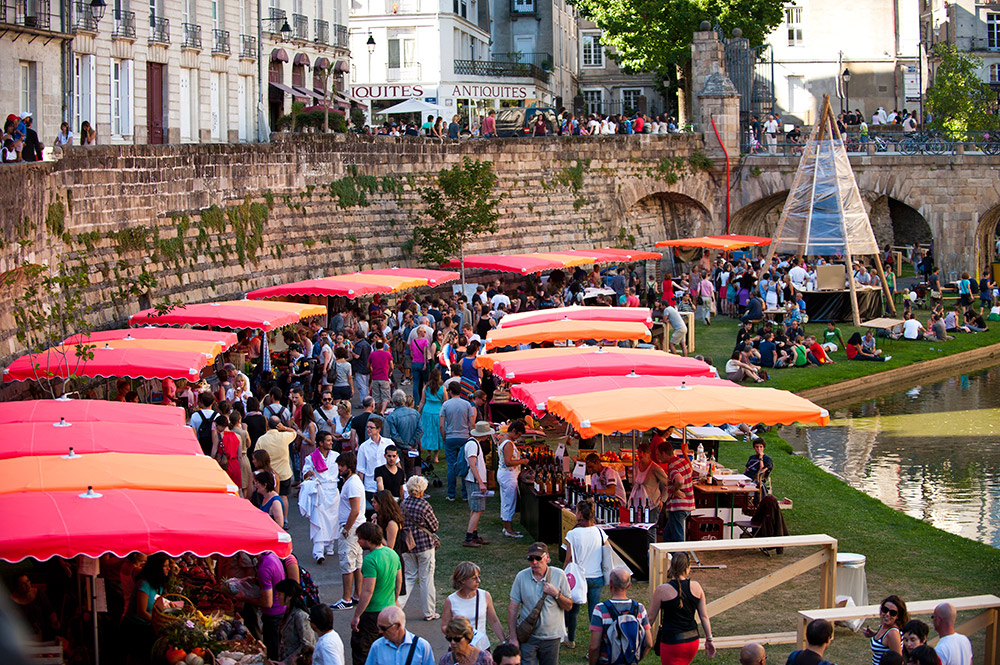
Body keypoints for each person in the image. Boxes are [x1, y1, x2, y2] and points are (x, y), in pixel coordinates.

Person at [508, 542, 573, 665]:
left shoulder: (559, 575)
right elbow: (512, 608)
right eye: (530, 559)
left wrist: (556, 594)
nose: (534, 562)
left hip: (552, 637)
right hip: (528, 636)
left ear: (547, 558)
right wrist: (513, 638)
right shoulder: (521, 577)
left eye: (538, 558)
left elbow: (569, 606)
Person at [648, 552, 716, 665]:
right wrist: (709, 639)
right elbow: (704, 617)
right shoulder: (696, 587)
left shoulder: (662, 590)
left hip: (671, 642)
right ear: (688, 568)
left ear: (671, 567)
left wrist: (638, 637)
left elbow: (650, 618)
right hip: (692, 640)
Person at [352, 522, 403, 665]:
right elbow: (399, 581)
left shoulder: (370, 560)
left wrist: (357, 616)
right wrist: (395, 600)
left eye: (360, 538)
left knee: (362, 649)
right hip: (389, 608)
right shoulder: (392, 553)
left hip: (371, 613)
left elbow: (368, 591)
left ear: (368, 539)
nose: (358, 541)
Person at [564, 499, 607, 650]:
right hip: (597, 577)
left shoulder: (573, 534)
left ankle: (571, 639)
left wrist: (564, 575)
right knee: (594, 613)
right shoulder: (600, 532)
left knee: (573, 611)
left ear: (580, 514)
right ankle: (596, 643)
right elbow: (608, 552)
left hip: (578, 578)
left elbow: (568, 559)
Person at [588, 568, 652, 665]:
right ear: (629, 585)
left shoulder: (600, 609)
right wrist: (635, 659)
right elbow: (649, 643)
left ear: (610, 584)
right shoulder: (639, 609)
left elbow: (594, 646)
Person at [400, 475, 440, 621]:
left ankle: (397, 606)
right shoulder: (424, 505)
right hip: (424, 545)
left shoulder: (403, 504)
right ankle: (429, 611)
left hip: (408, 545)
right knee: (426, 578)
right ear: (422, 490)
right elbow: (434, 526)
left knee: (409, 577)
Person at [442, 562, 507, 650]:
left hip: (482, 647)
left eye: (478, 577)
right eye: (474, 578)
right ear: (463, 580)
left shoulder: (485, 596)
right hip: (460, 648)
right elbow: (444, 626)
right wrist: (458, 634)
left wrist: (504, 641)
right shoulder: (451, 600)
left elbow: (494, 621)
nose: (478, 581)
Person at [332, 452, 365, 611]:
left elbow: (355, 510)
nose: (339, 468)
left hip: (351, 529)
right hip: (355, 528)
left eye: (342, 466)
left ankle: (346, 598)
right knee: (357, 564)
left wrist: (346, 529)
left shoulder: (352, 484)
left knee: (347, 564)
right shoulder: (353, 481)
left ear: (350, 467)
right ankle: (357, 595)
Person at [300, 431, 340, 564]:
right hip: (320, 492)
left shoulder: (336, 456)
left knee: (333, 520)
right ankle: (318, 551)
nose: (331, 442)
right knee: (319, 521)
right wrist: (309, 473)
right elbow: (305, 474)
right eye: (328, 440)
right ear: (321, 443)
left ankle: (330, 546)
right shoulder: (311, 458)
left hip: (333, 492)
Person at [257, 415, 298, 520]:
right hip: (284, 472)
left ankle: (269, 518)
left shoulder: (262, 439)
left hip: (268, 473)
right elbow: (294, 432)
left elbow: (256, 454)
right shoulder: (284, 436)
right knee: (283, 496)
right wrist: (284, 428)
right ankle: (284, 518)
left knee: (267, 497)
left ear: (267, 426)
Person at [365, 606, 435, 665]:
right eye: (378, 627)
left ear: (398, 625)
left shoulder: (422, 646)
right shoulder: (377, 646)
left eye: (383, 628)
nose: (380, 631)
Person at [441, 382, 476, 501]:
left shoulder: (446, 405)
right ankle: (465, 494)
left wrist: (444, 436)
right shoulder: (467, 404)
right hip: (464, 437)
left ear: (450, 391)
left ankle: (451, 494)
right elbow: (472, 423)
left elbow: (441, 425)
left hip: (450, 436)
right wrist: (472, 435)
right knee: (465, 464)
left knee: (451, 466)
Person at [462, 421, 493, 547]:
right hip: (475, 480)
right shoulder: (473, 445)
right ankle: (469, 537)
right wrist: (480, 482)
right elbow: (472, 464)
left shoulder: (474, 443)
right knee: (478, 509)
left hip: (474, 480)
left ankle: (473, 534)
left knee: (475, 508)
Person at [498, 419, 530, 538]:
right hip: (508, 475)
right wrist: (523, 461)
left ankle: (506, 526)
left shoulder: (503, 438)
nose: (518, 438)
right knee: (509, 502)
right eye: (518, 435)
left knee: (505, 501)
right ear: (514, 431)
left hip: (503, 474)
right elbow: (508, 461)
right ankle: (509, 529)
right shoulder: (508, 444)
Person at [275, 579, 316, 665]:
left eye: (280, 594)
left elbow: (307, 644)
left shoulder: (300, 615)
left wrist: (287, 662)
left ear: (289, 596)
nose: (277, 596)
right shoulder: (288, 611)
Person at [384, 390, 422, 479]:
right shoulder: (415, 413)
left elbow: (394, 435)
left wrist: (405, 447)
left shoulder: (391, 417)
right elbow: (419, 430)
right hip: (412, 448)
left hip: (399, 449)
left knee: (400, 473)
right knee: (411, 471)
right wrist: (411, 445)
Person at [662, 442, 694, 542]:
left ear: (663, 453)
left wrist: (676, 490)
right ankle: (670, 555)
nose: (658, 458)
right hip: (688, 504)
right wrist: (685, 453)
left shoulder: (672, 467)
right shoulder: (683, 462)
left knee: (678, 537)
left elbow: (679, 480)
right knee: (667, 535)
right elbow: (691, 469)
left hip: (678, 506)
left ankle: (682, 556)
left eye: (658, 455)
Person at [864, 595, 908, 665]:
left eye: (892, 613)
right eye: (885, 610)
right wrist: (874, 634)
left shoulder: (893, 633)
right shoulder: (884, 627)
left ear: (898, 616)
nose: (887, 614)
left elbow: (898, 661)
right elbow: (884, 640)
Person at [358, 416, 394, 499]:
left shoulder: (388, 443)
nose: (368, 429)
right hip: (370, 485)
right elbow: (361, 469)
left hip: (388, 483)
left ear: (378, 429)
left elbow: (396, 462)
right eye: (367, 427)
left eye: (371, 427)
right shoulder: (363, 447)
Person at [420, 367, 446, 464]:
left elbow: (422, 401)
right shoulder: (442, 388)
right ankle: (436, 456)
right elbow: (445, 401)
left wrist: (418, 412)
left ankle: (428, 452)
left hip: (427, 411)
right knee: (437, 433)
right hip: (438, 412)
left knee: (427, 431)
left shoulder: (426, 387)